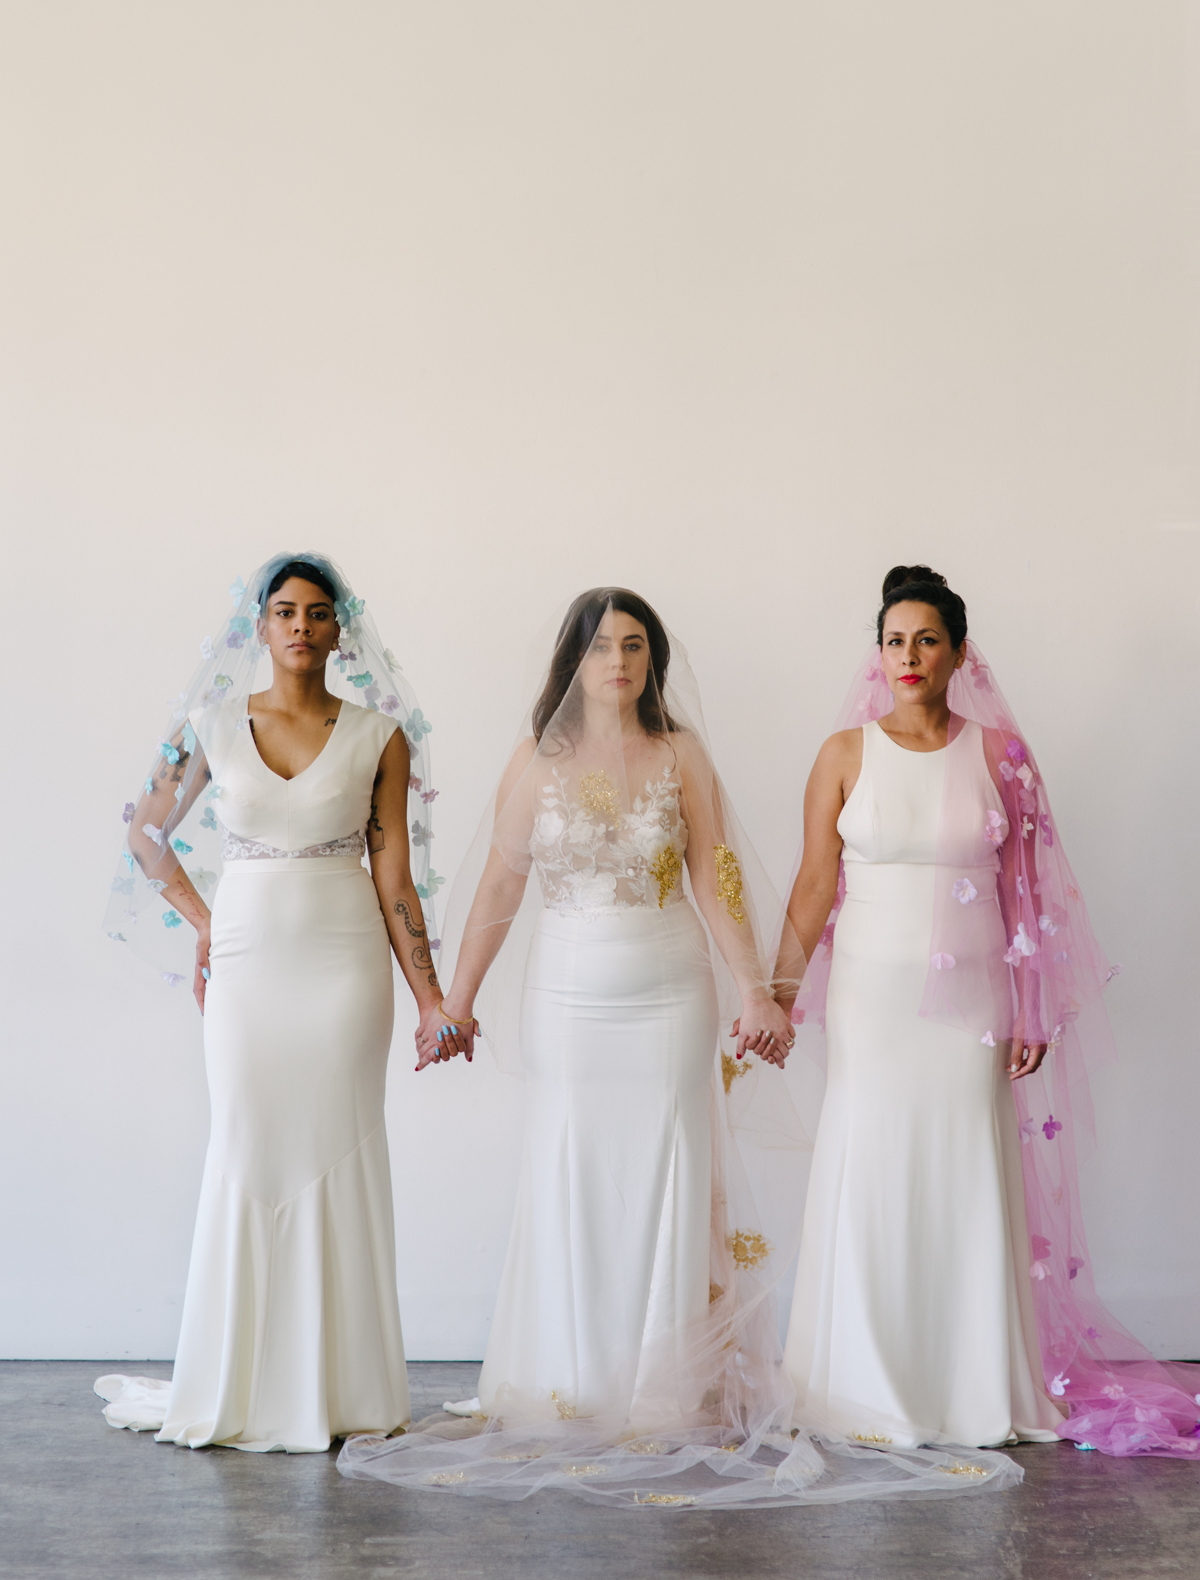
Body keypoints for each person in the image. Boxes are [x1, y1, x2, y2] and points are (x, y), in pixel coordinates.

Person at [338, 589, 1023, 1505]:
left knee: (670, 1170)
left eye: (633, 645)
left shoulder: (681, 755)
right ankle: (570, 1377)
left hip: (671, 992)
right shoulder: (533, 765)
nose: (617, 662)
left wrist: (755, 988)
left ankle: (668, 1388)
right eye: (599, 647)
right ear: (572, 663)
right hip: (571, 1002)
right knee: (572, 1167)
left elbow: (716, 876)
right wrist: (453, 1002)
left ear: (653, 660)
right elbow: (500, 886)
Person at [779, 565, 1200, 1459]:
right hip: (871, 999)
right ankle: (861, 1382)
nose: (908, 656)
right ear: (879, 652)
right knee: (872, 1162)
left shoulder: (1000, 755)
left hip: (972, 1000)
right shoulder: (843, 754)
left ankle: (968, 1384)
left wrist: (1034, 1008)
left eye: (927, 639)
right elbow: (815, 883)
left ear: (959, 652)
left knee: (964, 1165)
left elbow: (1028, 890)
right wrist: (776, 991)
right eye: (894, 640)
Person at [96, 554, 444, 1452]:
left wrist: (432, 999)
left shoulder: (379, 737)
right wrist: (204, 920)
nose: (301, 627)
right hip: (248, 963)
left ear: (339, 629)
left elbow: (395, 875)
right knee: (247, 1148)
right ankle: (240, 1383)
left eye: (318, 613)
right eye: (284, 612)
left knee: (342, 1152)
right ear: (261, 628)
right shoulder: (211, 726)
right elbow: (143, 831)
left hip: (344, 965)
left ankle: (345, 1390)